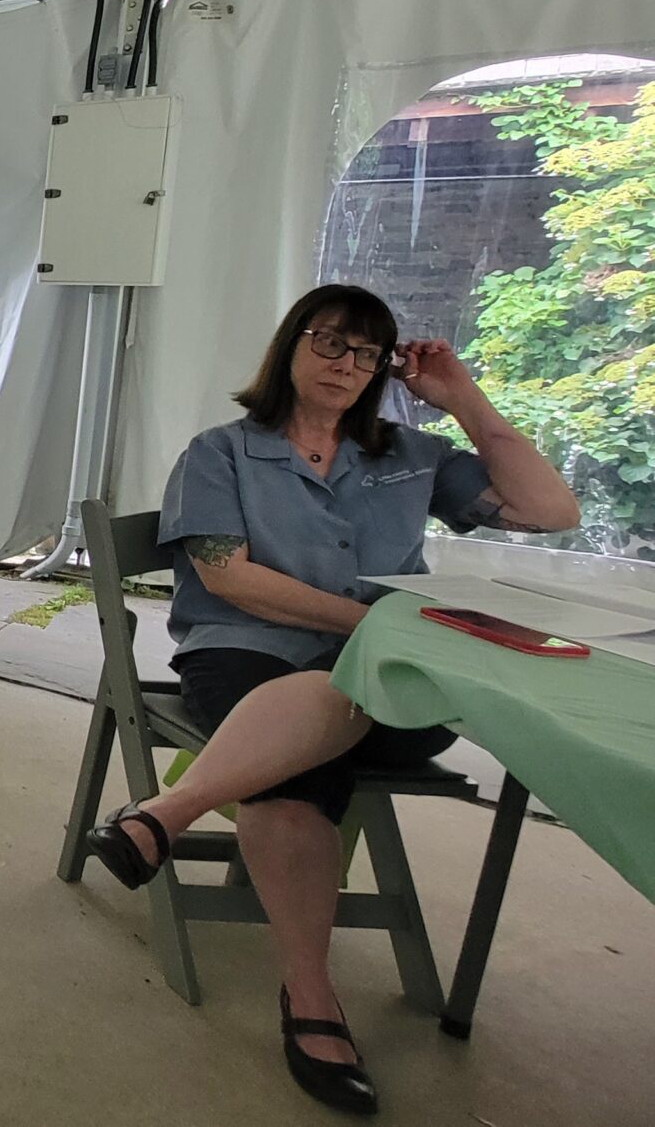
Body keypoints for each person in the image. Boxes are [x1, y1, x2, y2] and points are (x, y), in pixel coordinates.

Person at [84, 284, 577, 1116]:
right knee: (297, 759)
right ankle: (311, 999)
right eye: (330, 342)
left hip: (390, 690)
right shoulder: (222, 451)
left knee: (330, 709)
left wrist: (462, 399)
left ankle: (165, 813)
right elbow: (226, 575)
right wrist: (374, 626)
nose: (347, 365)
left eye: (368, 354)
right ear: (291, 346)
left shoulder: (412, 457)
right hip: (243, 654)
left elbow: (549, 510)